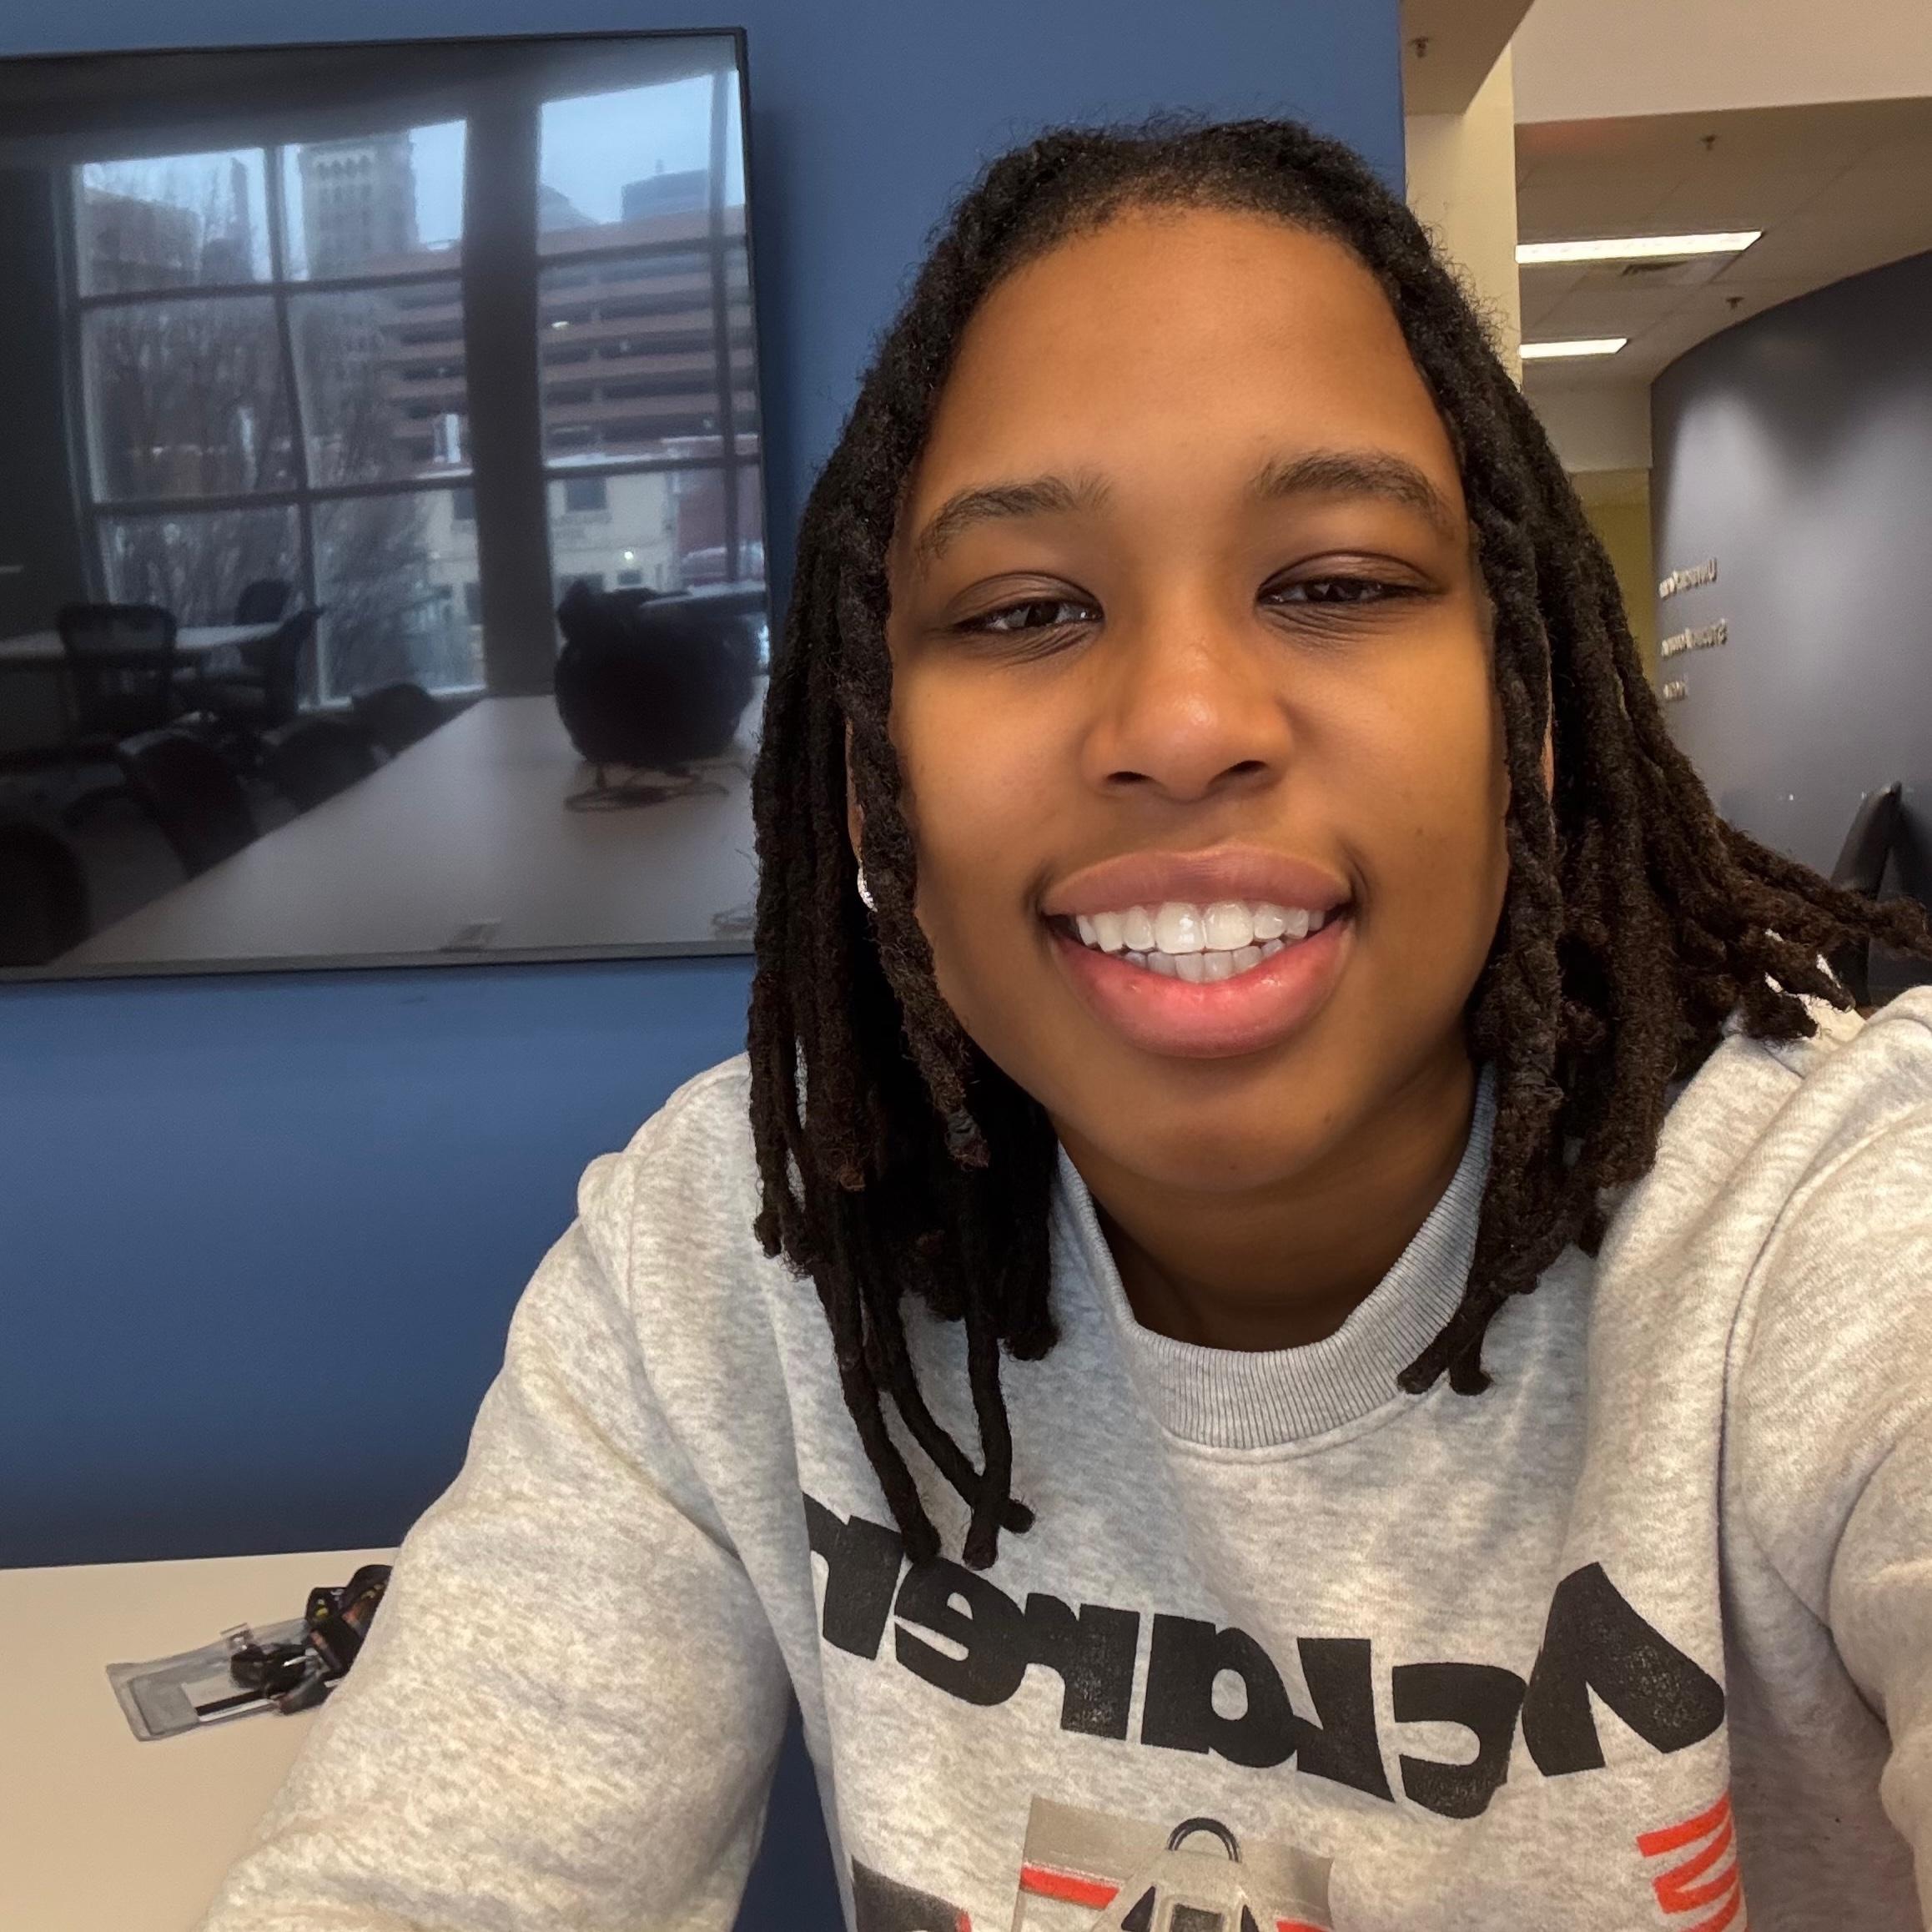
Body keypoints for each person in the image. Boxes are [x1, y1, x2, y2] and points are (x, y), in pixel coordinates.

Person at [199, 119, 1932, 1932]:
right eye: (1026, 610)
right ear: (869, 791)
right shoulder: (739, 1257)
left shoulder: (1834, 1238)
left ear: (1536, 720)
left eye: (1336, 584)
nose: (1182, 723)